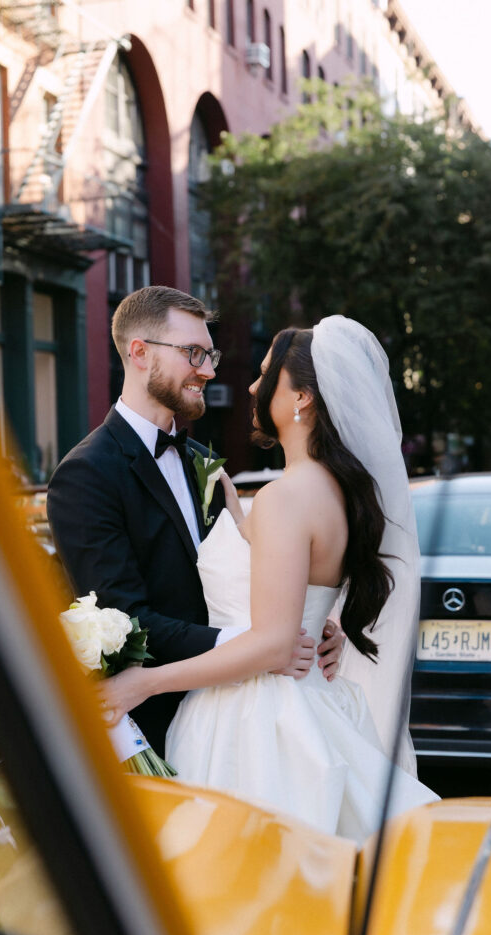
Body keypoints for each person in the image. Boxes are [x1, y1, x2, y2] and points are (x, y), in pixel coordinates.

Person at [95, 316, 438, 842]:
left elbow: (276, 643)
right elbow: (287, 592)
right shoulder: (333, 493)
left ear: (301, 397)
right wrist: (238, 520)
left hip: (257, 720)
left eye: (264, 374)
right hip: (306, 700)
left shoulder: (285, 498)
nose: (252, 386)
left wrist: (145, 681)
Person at [47, 286, 344, 755]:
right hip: (159, 726)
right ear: (139, 353)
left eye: (210, 355)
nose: (207, 371)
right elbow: (126, 618)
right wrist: (263, 644)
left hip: (245, 719)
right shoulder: (85, 475)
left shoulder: (206, 464)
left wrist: (307, 624)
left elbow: (248, 576)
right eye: (194, 354)